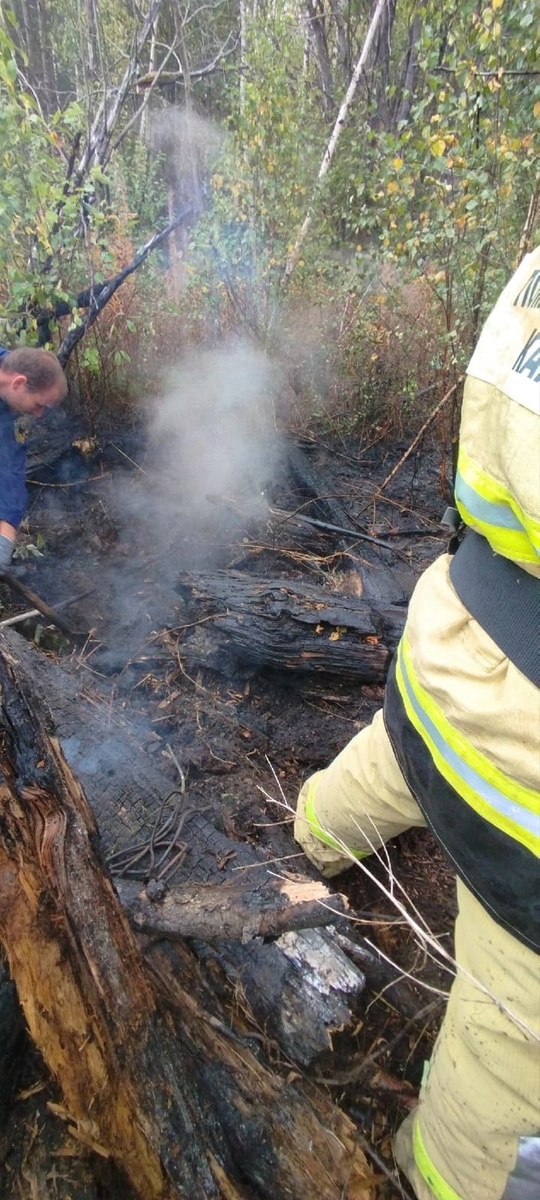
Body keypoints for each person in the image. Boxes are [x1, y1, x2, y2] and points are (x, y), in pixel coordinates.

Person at [294, 247, 540, 1200]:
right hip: (522, 785)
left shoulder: (529, 267)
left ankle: (306, 835)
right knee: (514, 1049)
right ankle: (432, 1180)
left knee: (385, 769)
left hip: (444, 654)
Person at [0, 347, 68, 568]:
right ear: (18, 383)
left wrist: (3, 545)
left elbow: (11, 472)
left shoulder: (13, 414)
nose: (39, 414)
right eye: (39, 405)